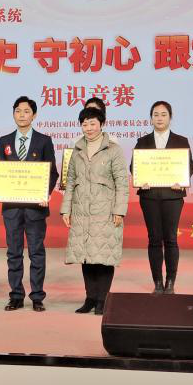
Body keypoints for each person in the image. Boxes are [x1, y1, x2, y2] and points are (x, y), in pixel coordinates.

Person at [61, 107, 128, 315]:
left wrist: (119, 210)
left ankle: (102, 300)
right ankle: (90, 298)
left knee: (104, 255)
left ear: (102, 124)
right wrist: (66, 209)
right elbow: (70, 181)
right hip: (81, 210)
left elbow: (122, 183)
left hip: (105, 210)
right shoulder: (77, 150)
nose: (88, 128)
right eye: (85, 124)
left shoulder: (114, 150)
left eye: (92, 123)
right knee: (86, 255)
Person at [0, 96, 58, 312]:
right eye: (18, 111)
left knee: (36, 252)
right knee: (13, 252)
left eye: (26, 111)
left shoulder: (44, 140)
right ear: (13, 114)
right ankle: (16, 295)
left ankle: (37, 296)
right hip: (11, 208)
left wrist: (45, 193)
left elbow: (52, 172)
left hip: (35, 208)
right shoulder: (4, 140)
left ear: (34, 115)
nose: (22, 115)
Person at [132, 100, 193, 296]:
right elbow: (134, 166)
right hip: (149, 196)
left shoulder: (181, 141)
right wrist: (140, 180)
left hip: (173, 196)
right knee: (154, 239)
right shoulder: (142, 141)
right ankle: (157, 281)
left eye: (163, 114)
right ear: (151, 118)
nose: (159, 118)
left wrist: (182, 180)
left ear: (170, 117)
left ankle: (170, 281)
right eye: (156, 115)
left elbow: (189, 166)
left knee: (171, 239)